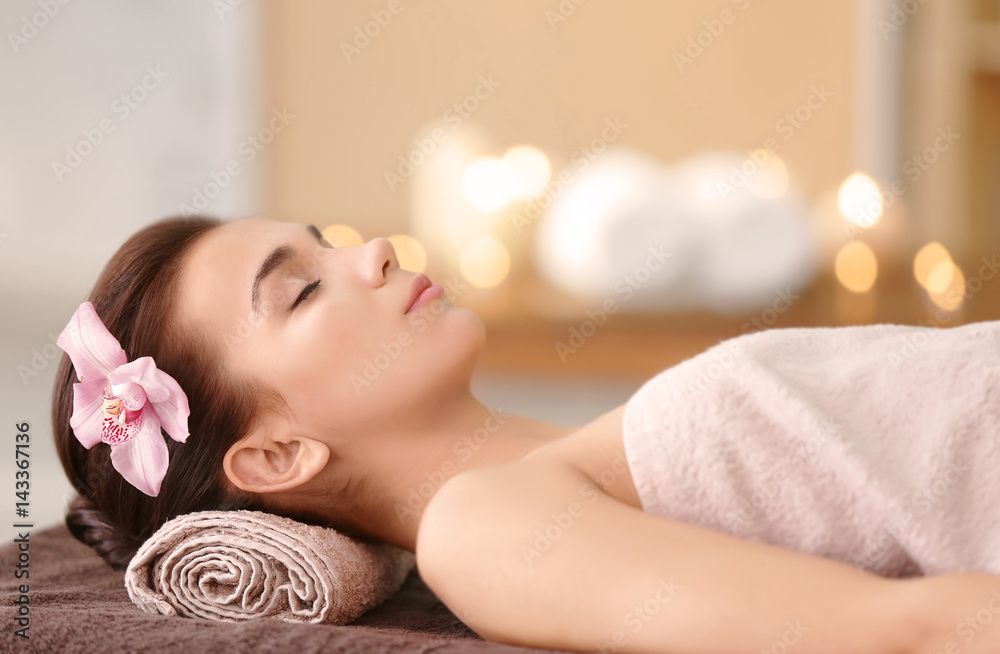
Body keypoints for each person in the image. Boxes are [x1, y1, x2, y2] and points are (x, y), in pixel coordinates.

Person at [52, 214, 1000, 654]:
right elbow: (906, 636)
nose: (372, 250)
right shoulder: (478, 529)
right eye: (302, 289)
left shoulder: (574, 466)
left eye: (327, 240)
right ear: (275, 456)